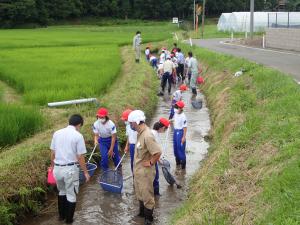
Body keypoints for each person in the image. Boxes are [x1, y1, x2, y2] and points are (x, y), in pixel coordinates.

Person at [50, 114, 90, 224]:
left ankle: (61, 217)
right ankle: (69, 221)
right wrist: (86, 172)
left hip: (57, 169)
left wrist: (52, 167)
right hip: (70, 170)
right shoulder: (78, 136)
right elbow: (80, 157)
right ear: (79, 124)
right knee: (71, 195)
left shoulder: (57, 133)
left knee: (61, 191)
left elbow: (52, 153)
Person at [128, 110, 162, 225]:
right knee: (140, 193)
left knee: (147, 196)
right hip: (138, 171)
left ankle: (149, 219)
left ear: (137, 122)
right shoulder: (140, 133)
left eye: (131, 123)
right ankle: (141, 214)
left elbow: (157, 152)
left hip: (145, 172)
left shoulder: (147, 135)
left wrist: (151, 162)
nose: (130, 125)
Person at [151, 118, 170, 196]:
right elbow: (154, 150)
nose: (165, 131)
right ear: (162, 127)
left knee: (153, 176)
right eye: (165, 129)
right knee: (155, 177)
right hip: (151, 159)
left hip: (152, 158)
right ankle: (156, 195)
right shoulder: (154, 135)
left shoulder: (154, 132)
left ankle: (153, 193)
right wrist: (158, 160)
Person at [121, 109, 137, 175]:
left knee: (137, 162)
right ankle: (134, 177)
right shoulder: (127, 126)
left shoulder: (136, 125)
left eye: (125, 119)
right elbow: (129, 137)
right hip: (131, 146)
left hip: (138, 146)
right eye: (124, 120)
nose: (125, 121)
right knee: (132, 162)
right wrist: (126, 146)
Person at [172, 101, 187, 169]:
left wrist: (183, 137)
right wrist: (170, 121)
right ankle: (177, 165)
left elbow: (185, 127)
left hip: (180, 132)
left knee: (180, 149)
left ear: (180, 108)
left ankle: (183, 168)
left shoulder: (183, 116)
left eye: (177, 107)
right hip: (175, 131)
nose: (175, 108)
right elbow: (174, 119)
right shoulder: (176, 113)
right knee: (175, 149)